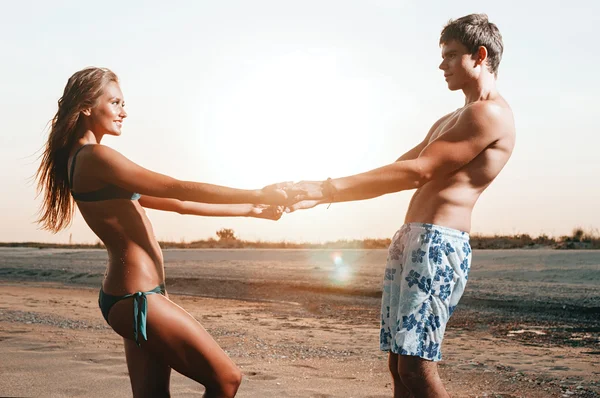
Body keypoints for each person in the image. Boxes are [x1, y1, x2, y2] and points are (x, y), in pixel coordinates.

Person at [35, 67, 300, 398]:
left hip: (134, 298)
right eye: (115, 102)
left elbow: (176, 202)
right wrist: (258, 193)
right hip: (137, 299)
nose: (124, 111)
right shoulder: (94, 156)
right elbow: (177, 186)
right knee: (226, 380)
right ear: (87, 106)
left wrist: (250, 211)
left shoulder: (85, 159)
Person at [287, 14, 515, 397]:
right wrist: (323, 193)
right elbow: (400, 169)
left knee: (416, 366)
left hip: (438, 246)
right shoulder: (452, 117)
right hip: (412, 239)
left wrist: (326, 189)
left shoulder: (488, 114)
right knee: (398, 364)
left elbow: (418, 172)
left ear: (479, 55)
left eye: (451, 55)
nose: (441, 65)